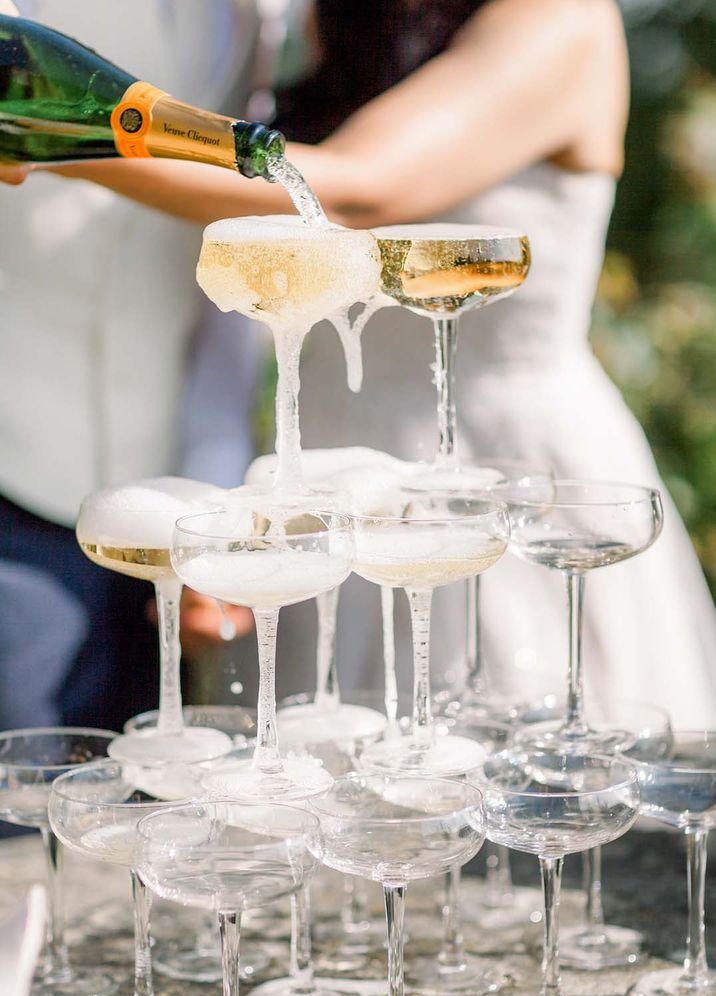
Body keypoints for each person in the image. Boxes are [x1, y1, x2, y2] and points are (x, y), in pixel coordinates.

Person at [4, 0, 716, 727]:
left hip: (491, 474)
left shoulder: (560, 19)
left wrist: (52, 136)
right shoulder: (344, 26)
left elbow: (359, 189)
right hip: (334, 492)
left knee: (518, 788)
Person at [0, 0, 256, 731]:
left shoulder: (263, 18)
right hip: (14, 490)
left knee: (143, 811)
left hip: (164, 519)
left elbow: (225, 280)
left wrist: (216, 487)